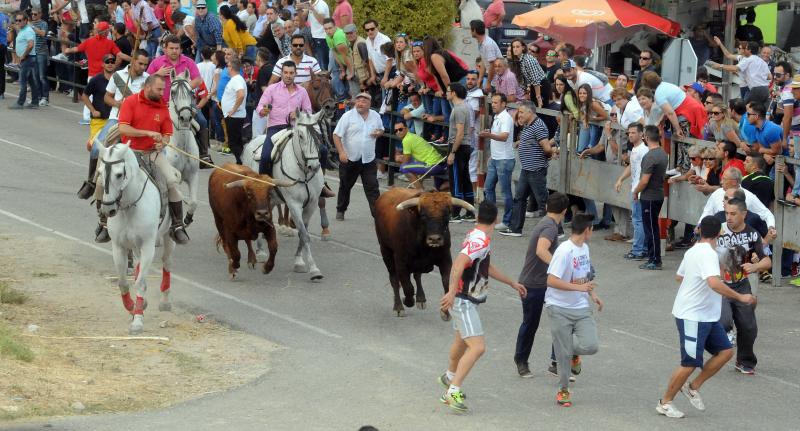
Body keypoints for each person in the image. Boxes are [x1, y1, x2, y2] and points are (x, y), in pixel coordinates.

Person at [656, 216, 757, 418]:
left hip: (706, 316)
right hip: (692, 316)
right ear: (719, 232)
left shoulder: (693, 251)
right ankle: (665, 402)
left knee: (726, 352)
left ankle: (693, 387)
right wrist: (740, 296)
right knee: (690, 362)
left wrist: (699, 278)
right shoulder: (707, 254)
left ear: (701, 231)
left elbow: (680, 276)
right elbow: (713, 283)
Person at [438, 200, 527, 412]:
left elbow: (485, 266)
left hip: (464, 298)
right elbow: (459, 263)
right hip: (464, 300)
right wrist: (451, 292)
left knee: (461, 341)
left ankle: (450, 377)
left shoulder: (476, 235)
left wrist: (511, 283)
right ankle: (453, 391)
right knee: (478, 347)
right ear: (496, 220)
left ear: (478, 218)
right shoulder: (481, 241)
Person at [113, 75, 190, 244]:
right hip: (130, 152)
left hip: (152, 153)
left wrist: (162, 143)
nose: (163, 93)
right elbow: (123, 128)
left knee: (171, 181)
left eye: (163, 89)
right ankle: (104, 222)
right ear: (147, 87)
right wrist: (147, 133)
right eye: (159, 89)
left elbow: (167, 135)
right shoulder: (131, 102)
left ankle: (177, 225)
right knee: (103, 177)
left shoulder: (163, 107)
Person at [545, 212, 602, 407]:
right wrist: (580, 289)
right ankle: (563, 390)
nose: (592, 232)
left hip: (580, 307)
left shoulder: (584, 248)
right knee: (563, 354)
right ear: (587, 230)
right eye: (592, 229)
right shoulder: (564, 251)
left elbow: (584, 277)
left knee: (591, 345)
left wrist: (592, 295)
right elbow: (551, 280)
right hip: (558, 308)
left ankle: (573, 353)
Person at [513, 193, 569, 376]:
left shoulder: (548, 223)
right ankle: (521, 360)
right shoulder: (549, 227)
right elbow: (541, 250)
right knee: (531, 323)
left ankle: (555, 362)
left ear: (546, 207)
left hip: (543, 283)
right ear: (565, 211)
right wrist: (558, 269)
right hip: (534, 284)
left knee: (559, 321)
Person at [716, 197, 771, 374]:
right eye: (727, 213)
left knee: (748, 326)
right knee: (724, 321)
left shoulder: (753, 234)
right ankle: (721, 339)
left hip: (741, 284)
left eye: (733, 213)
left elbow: (767, 260)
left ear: (744, 214)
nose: (729, 217)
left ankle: (744, 360)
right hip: (721, 284)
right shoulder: (719, 230)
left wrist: (755, 266)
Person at [502, 102, 554, 237]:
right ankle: (515, 228)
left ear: (530, 112)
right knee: (519, 198)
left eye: (522, 112)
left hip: (536, 169)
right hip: (527, 169)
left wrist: (545, 158)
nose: (519, 114)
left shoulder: (538, 126)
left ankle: (555, 230)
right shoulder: (528, 125)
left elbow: (547, 148)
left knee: (543, 200)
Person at [332, 92, 383, 219]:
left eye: (364, 101)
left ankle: (377, 215)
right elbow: (336, 135)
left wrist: (379, 133)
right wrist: (341, 152)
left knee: (372, 187)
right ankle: (341, 209)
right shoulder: (347, 116)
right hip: (350, 158)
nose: (360, 103)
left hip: (368, 158)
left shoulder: (375, 116)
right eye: (358, 101)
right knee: (345, 186)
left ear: (369, 104)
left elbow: (382, 129)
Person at [256, 60, 312, 175]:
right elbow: (260, 107)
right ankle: (262, 183)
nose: (288, 76)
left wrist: (299, 115)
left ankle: (320, 184)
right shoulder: (271, 89)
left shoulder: (302, 92)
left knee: (321, 151)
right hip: (275, 129)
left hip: (296, 129)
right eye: (286, 72)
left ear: (295, 74)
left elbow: (308, 112)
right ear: (281, 73)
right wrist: (264, 111)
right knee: (266, 157)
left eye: (291, 73)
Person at [634, 125, 668, 270]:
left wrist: (635, 191)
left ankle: (654, 259)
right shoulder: (662, 153)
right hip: (657, 194)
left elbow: (644, 180)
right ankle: (653, 257)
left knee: (651, 229)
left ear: (646, 138)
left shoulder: (650, 156)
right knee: (652, 227)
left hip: (649, 197)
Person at [479, 94, 515, 231]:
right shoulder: (497, 117)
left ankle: (507, 221)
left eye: (496, 102)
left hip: (504, 159)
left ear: (504, 104)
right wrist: (491, 132)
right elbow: (498, 135)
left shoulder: (506, 118)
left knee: (505, 192)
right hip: (496, 158)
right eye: (492, 102)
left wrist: (489, 135)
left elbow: (504, 137)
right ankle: (491, 218)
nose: (493, 105)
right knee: (488, 188)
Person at [615, 123, 649, 260]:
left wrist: (637, 191)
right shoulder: (635, 150)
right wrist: (621, 179)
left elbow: (644, 173)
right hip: (637, 189)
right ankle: (643, 249)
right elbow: (632, 166)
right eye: (629, 133)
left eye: (633, 133)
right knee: (640, 221)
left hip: (639, 191)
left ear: (642, 134)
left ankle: (638, 250)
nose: (630, 135)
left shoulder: (643, 150)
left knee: (638, 221)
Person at [446, 82, 476, 222]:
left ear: (454, 93)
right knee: (465, 178)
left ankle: (456, 212)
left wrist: (452, 152)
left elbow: (459, 132)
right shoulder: (466, 107)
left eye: (448, 91)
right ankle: (470, 211)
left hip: (458, 146)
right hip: (466, 146)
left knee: (456, 180)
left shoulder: (459, 109)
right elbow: (468, 129)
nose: (446, 93)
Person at [81, 54, 116, 172]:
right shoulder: (96, 80)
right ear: (103, 64)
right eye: (107, 62)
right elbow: (84, 95)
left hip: (113, 119)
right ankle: (91, 178)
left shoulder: (119, 80)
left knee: (112, 149)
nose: (110, 64)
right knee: (96, 147)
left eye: (112, 61)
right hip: (98, 121)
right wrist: (93, 110)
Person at [710, 39, 770, 106]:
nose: (737, 49)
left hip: (753, 88)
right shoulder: (761, 61)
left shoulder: (748, 59)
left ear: (748, 50)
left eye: (740, 48)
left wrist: (720, 65)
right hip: (765, 89)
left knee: (747, 108)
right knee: (760, 110)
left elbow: (735, 68)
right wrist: (720, 44)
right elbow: (769, 76)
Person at [146, 35, 202, 102]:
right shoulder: (156, 62)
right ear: (165, 49)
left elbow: (198, 80)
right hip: (161, 103)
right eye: (171, 48)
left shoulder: (189, 62)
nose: (174, 51)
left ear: (180, 49)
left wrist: (181, 88)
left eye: (176, 48)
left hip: (183, 104)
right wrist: (157, 74)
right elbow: (145, 81)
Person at [393, 122, 446, 190]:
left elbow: (406, 160)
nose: (398, 132)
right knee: (439, 188)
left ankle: (420, 191)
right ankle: (417, 186)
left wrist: (397, 158)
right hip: (440, 164)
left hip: (433, 165)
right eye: (395, 131)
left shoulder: (407, 140)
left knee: (404, 168)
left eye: (400, 129)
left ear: (406, 129)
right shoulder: (412, 136)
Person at [9, 11, 40, 109]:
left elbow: (31, 44)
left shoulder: (28, 31)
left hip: (28, 58)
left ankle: (20, 103)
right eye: (17, 20)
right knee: (31, 81)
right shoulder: (23, 29)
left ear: (26, 20)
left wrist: (23, 55)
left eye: (20, 20)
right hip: (28, 58)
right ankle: (35, 101)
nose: (18, 22)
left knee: (22, 81)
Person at [221, 56, 248, 163]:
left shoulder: (237, 79)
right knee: (235, 141)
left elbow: (240, 95)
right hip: (233, 116)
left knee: (233, 143)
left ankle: (240, 163)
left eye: (227, 66)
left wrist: (233, 109)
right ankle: (240, 162)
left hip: (234, 116)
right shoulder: (236, 79)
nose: (227, 68)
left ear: (231, 67)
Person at [323, 18, 352, 102]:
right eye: (326, 29)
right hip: (343, 62)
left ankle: (344, 101)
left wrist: (350, 72)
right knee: (334, 75)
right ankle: (341, 101)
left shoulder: (338, 35)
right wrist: (342, 70)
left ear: (335, 26)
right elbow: (335, 53)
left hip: (351, 63)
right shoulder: (328, 37)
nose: (328, 31)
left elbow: (347, 56)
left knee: (352, 90)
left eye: (330, 28)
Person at [469, 19, 501, 94]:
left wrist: (488, 83)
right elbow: (483, 61)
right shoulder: (481, 43)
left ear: (475, 30)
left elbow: (493, 65)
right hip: (493, 79)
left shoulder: (488, 44)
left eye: (471, 29)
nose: (470, 32)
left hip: (498, 80)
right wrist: (480, 79)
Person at [28, 8, 48, 106]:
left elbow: (43, 33)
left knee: (42, 76)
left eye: (35, 14)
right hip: (32, 53)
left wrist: (32, 27)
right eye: (32, 14)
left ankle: (45, 98)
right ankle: (37, 97)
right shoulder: (29, 24)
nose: (33, 16)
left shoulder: (43, 23)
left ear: (40, 14)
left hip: (41, 53)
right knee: (35, 77)